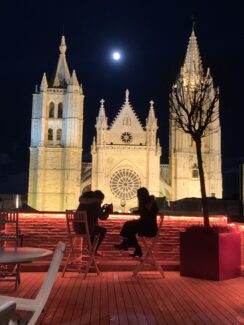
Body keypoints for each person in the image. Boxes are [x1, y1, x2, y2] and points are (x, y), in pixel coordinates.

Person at [114, 187, 158, 257]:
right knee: (130, 228)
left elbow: (148, 208)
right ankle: (132, 246)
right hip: (145, 225)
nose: (137, 197)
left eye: (138, 195)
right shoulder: (146, 202)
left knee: (128, 225)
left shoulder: (150, 202)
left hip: (149, 228)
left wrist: (151, 199)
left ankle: (127, 244)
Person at [75, 190, 113, 255]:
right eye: (101, 200)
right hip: (87, 229)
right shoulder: (95, 204)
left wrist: (101, 208)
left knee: (94, 228)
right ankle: (93, 250)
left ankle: (90, 248)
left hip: (77, 229)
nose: (101, 202)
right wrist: (108, 210)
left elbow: (91, 212)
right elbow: (103, 217)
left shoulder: (83, 202)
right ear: (98, 198)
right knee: (102, 230)